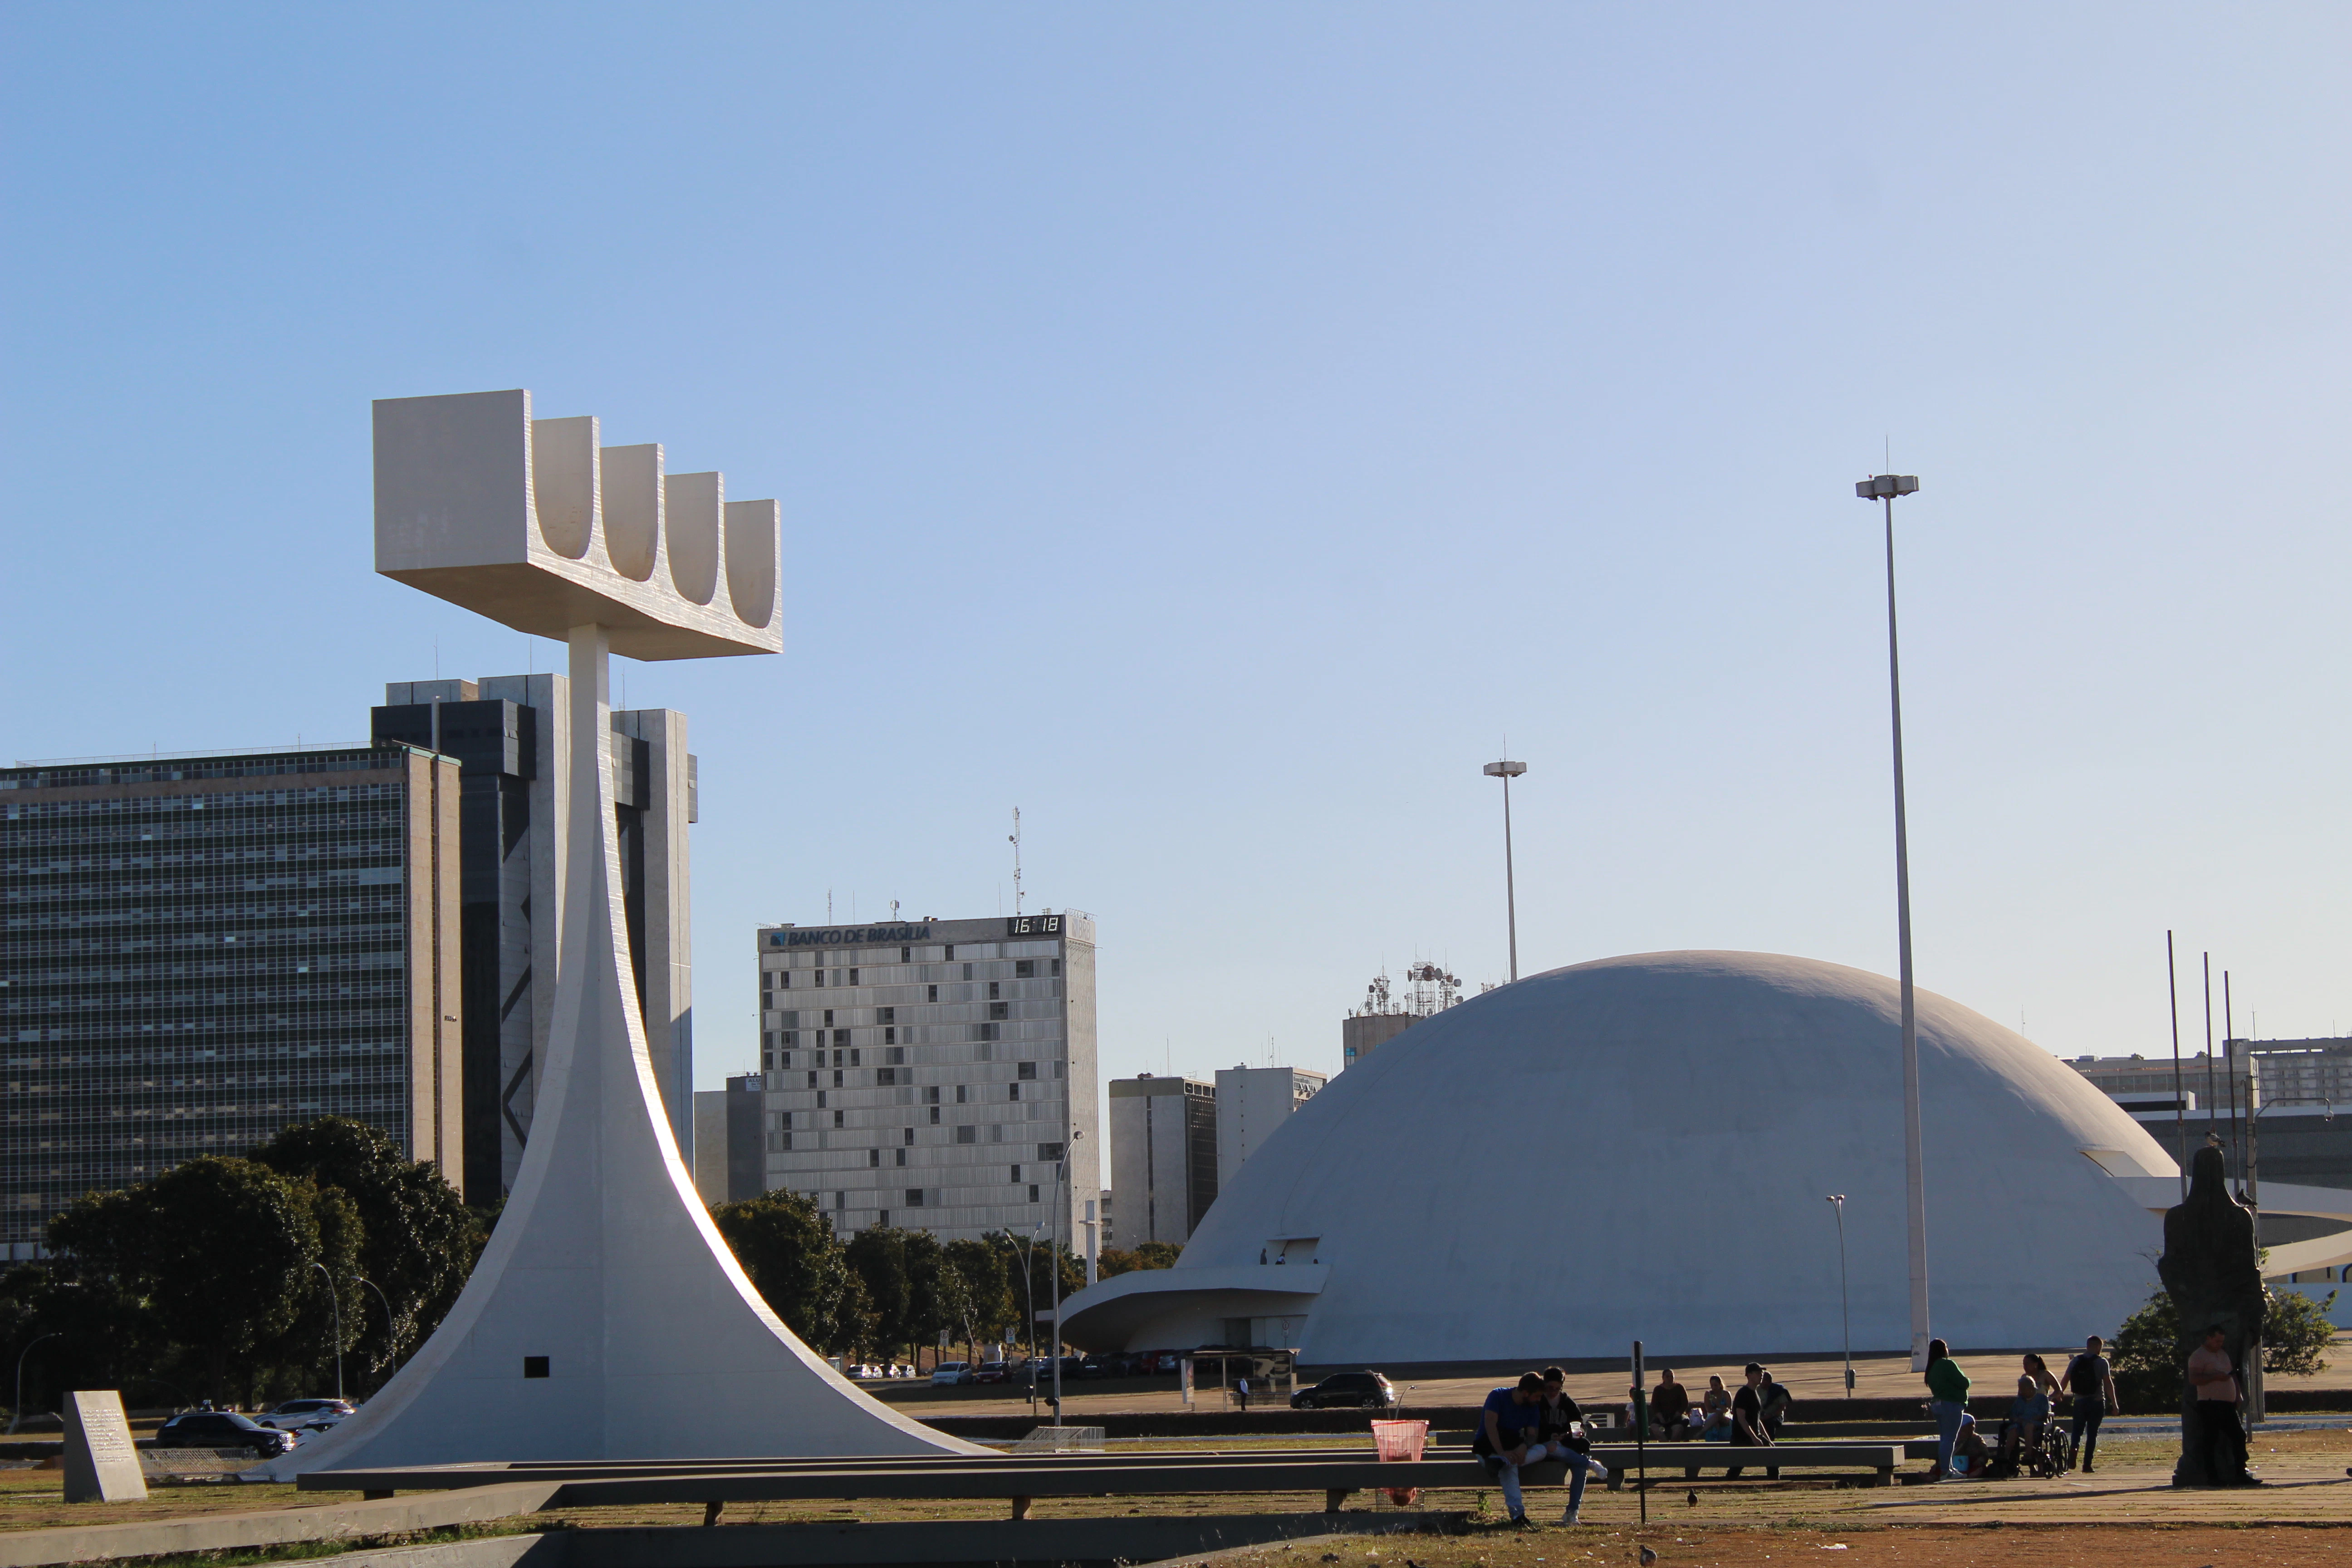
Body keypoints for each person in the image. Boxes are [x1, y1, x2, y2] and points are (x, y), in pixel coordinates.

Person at [1529, 1366, 1612, 1524]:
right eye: (1549, 1388)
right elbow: (1533, 1429)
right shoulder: (1538, 1402)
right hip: (1544, 1446)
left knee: (1580, 1470)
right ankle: (1591, 1463)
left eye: (1557, 1389)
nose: (1553, 1392)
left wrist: (1576, 1433)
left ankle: (1572, 1513)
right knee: (1553, 1447)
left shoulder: (1567, 1403)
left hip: (1567, 1446)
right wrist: (1550, 1436)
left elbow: (1580, 1424)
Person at [1474, 1371, 1551, 1524]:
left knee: (1542, 1450)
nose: (1539, 1400)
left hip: (1512, 1449)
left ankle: (1501, 1462)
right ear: (1525, 1393)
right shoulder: (1498, 1396)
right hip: (1488, 1449)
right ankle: (1517, 1515)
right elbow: (1490, 1426)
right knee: (1510, 1467)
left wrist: (1524, 1446)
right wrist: (1502, 1453)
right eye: (1536, 1396)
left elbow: (1532, 1436)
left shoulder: (1532, 1407)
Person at [2187, 1324, 2259, 1486]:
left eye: (2222, 1342)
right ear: (2209, 1338)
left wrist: (2238, 1393)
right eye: (2217, 1341)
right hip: (2210, 1403)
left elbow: (2232, 1374)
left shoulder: (2223, 1354)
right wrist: (2214, 1378)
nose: (2219, 1344)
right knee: (2210, 1440)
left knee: (2239, 1436)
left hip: (2227, 1404)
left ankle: (2241, 1473)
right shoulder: (2198, 1356)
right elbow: (2194, 1379)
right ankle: (2212, 1477)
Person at [2061, 1335, 2119, 1474]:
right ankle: (2087, 1465)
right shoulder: (2102, 1362)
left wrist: (2059, 1393)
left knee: (2077, 1432)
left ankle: (2073, 1454)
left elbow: (2066, 1379)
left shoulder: (2076, 1360)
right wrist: (2115, 1404)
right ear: (2098, 1347)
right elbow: (2108, 1383)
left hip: (2079, 1402)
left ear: (2087, 1346)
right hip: (2096, 1402)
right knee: (2092, 1434)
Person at [1924, 1338, 1970, 1480]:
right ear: (1943, 1350)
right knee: (1950, 1439)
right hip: (1951, 1405)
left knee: (1945, 1438)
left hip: (1938, 1405)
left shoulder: (1931, 1368)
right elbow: (1964, 1383)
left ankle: (1948, 1467)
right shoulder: (1947, 1364)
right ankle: (1946, 1470)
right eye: (1946, 1347)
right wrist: (1969, 1381)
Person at [1993, 1373, 2050, 1476]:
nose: (2021, 1391)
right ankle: (2006, 1456)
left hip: (2037, 1425)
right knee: (2013, 1429)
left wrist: (2032, 1419)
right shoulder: (2020, 1401)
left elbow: (2044, 1413)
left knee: (2029, 1426)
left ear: (2031, 1388)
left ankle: (2029, 1455)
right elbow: (2013, 1413)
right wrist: (2016, 1419)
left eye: (2023, 1388)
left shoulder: (2042, 1398)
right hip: (2020, 1425)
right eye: (2020, 1389)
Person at [1724, 1363, 1773, 1480]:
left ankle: (1774, 1482)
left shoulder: (1755, 1393)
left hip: (1753, 1436)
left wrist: (1768, 1439)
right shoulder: (1743, 1393)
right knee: (1736, 1468)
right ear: (1749, 1375)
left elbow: (1757, 1420)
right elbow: (1741, 1418)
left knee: (1772, 1456)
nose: (1761, 1375)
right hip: (1742, 1438)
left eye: (1761, 1373)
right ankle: (1725, 1484)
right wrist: (1754, 1438)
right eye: (1758, 1373)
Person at [1755, 1367, 1793, 1480]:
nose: (1764, 1383)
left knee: (1769, 1426)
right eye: (1763, 1380)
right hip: (1760, 1418)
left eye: (1767, 1381)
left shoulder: (1777, 1390)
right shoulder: (1756, 1390)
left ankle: (1772, 1468)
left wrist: (1769, 1416)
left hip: (1774, 1418)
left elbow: (1782, 1407)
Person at [1651, 1368, 1691, 1440]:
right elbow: (1655, 1406)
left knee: (1678, 1428)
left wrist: (1677, 1414)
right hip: (1662, 1418)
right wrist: (1661, 1418)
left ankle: (1673, 1446)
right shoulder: (1658, 1390)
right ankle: (1665, 1446)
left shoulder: (1679, 1388)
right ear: (1663, 1378)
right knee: (1655, 1427)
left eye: (1672, 1377)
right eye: (1667, 1377)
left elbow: (1685, 1403)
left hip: (1677, 1417)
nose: (1670, 1379)